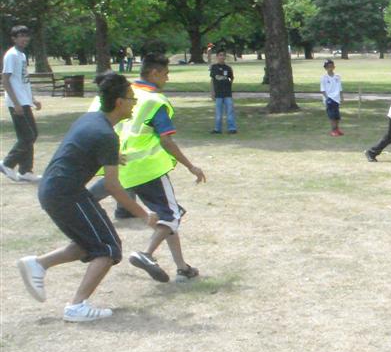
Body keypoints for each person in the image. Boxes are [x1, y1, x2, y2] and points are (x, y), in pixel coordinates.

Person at [17, 72, 158, 322]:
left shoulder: (92, 120)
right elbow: (113, 186)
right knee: (108, 248)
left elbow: (81, 150)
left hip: (56, 190)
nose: (134, 104)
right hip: (65, 193)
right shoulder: (106, 135)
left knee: (91, 241)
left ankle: (38, 264)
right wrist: (143, 213)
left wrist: (112, 157)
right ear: (119, 102)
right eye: (131, 99)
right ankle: (76, 307)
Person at [89, 53, 206, 284]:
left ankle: (182, 268)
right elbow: (166, 140)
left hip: (118, 169)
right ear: (154, 73)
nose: (167, 79)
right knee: (172, 215)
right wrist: (191, 166)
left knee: (168, 216)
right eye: (166, 74)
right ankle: (146, 254)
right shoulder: (155, 101)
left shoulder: (117, 92)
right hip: (146, 169)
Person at [1, 25, 43, 183]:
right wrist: (16, 103)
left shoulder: (22, 55)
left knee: (32, 135)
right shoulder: (11, 55)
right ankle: (7, 164)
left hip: (24, 101)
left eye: (27, 36)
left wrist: (33, 99)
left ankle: (25, 171)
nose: (25, 39)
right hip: (16, 103)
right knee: (28, 136)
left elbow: (24, 80)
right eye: (21, 36)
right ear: (14, 38)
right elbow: (5, 80)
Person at [209, 50, 238, 134]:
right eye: (220, 55)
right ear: (217, 57)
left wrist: (228, 83)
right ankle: (217, 129)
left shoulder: (228, 68)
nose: (222, 57)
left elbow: (231, 78)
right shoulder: (214, 67)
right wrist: (212, 92)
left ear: (225, 57)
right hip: (218, 93)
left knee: (230, 111)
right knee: (218, 112)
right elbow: (214, 79)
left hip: (227, 93)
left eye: (223, 55)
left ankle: (232, 128)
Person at [320, 59, 343, 136]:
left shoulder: (338, 76)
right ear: (325, 68)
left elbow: (340, 87)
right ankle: (333, 130)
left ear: (334, 67)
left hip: (337, 99)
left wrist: (341, 97)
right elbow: (322, 90)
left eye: (331, 66)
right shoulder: (324, 77)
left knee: (337, 116)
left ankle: (337, 129)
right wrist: (327, 98)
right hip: (329, 99)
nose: (330, 68)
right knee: (332, 116)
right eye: (328, 67)